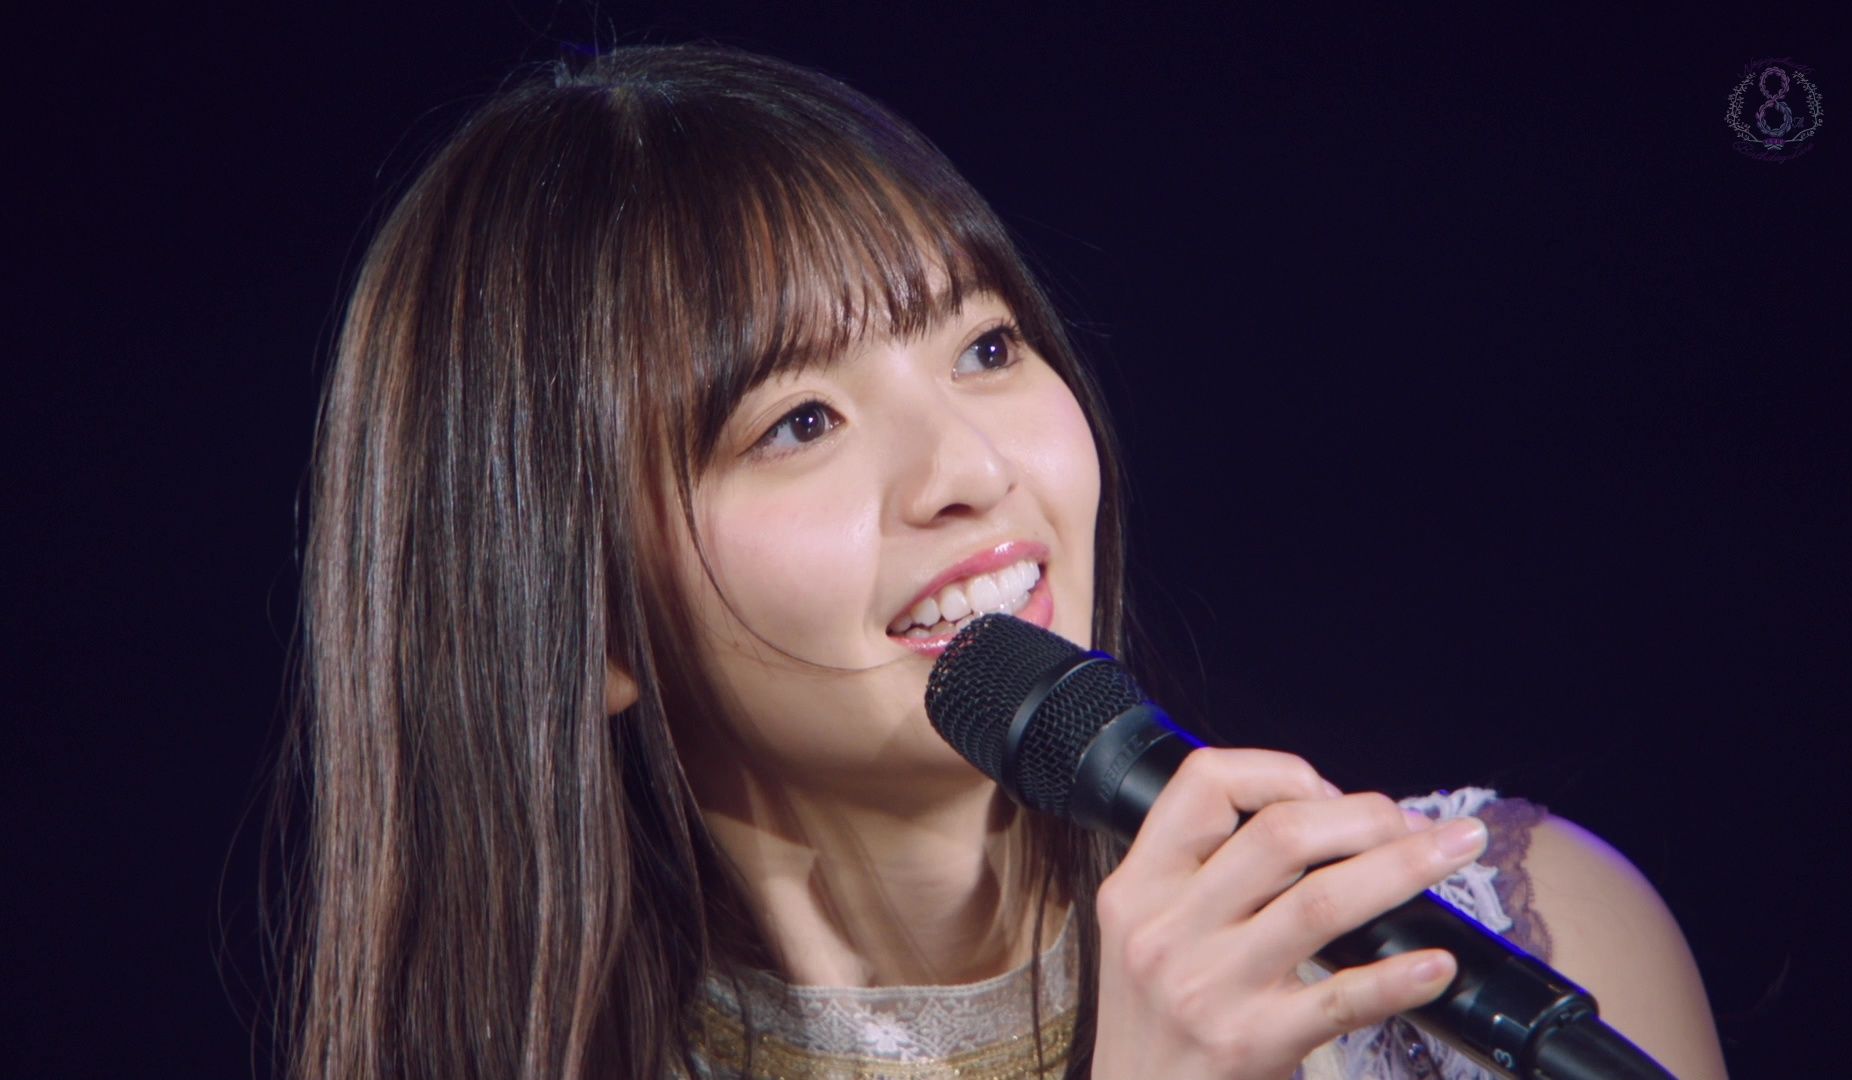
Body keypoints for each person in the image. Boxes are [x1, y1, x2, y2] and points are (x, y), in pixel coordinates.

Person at [274, 44, 1725, 1079]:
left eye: (984, 345)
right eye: (799, 421)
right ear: (581, 625)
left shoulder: (1504, 937)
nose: (969, 469)